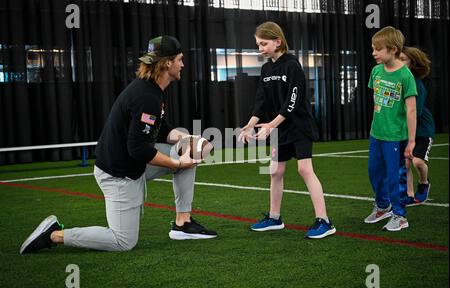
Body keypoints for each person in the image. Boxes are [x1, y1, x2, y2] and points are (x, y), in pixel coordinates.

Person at [20, 35, 217, 254]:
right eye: (180, 59)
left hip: (132, 163)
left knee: (191, 149)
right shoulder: (146, 96)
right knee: (123, 241)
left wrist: (186, 140)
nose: (183, 64)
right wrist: (177, 163)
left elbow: (160, 129)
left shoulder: (151, 88)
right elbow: (139, 148)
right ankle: (54, 234)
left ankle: (183, 223)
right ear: (167, 63)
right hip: (118, 173)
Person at [238, 21, 336, 239]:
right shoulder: (266, 69)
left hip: (299, 126)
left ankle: (324, 221)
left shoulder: (292, 65)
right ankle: (274, 218)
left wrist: (270, 125)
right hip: (280, 129)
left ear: (277, 41)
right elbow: (261, 101)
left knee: (304, 170)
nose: (260, 48)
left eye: (263, 44)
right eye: (258, 44)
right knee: (275, 171)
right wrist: (252, 123)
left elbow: (292, 102)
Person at [364, 26, 417, 231]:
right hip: (376, 133)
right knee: (374, 172)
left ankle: (400, 215)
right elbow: (378, 102)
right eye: (373, 49)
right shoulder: (376, 71)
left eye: (378, 49)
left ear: (393, 49)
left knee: (395, 176)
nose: (374, 53)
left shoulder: (405, 76)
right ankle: (383, 206)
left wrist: (411, 141)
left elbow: (411, 111)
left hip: (395, 136)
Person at [399, 46, 434, 205]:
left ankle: (424, 183)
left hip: (422, 130)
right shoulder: (399, 81)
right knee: (405, 163)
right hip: (406, 130)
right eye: (398, 59)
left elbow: (415, 112)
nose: (399, 62)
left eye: (403, 59)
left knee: (417, 162)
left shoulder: (416, 84)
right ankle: (409, 194)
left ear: (412, 63)